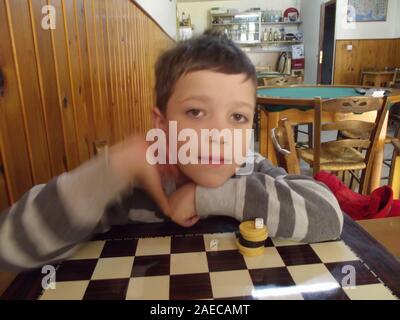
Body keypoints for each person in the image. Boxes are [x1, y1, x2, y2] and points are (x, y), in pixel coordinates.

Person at [0, 30, 343, 272]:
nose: (219, 135)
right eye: (196, 112)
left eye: (237, 117)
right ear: (162, 125)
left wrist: (205, 197)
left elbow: (330, 215)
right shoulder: (130, 190)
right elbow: (8, 247)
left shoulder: (249, 167)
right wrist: (113, 167)